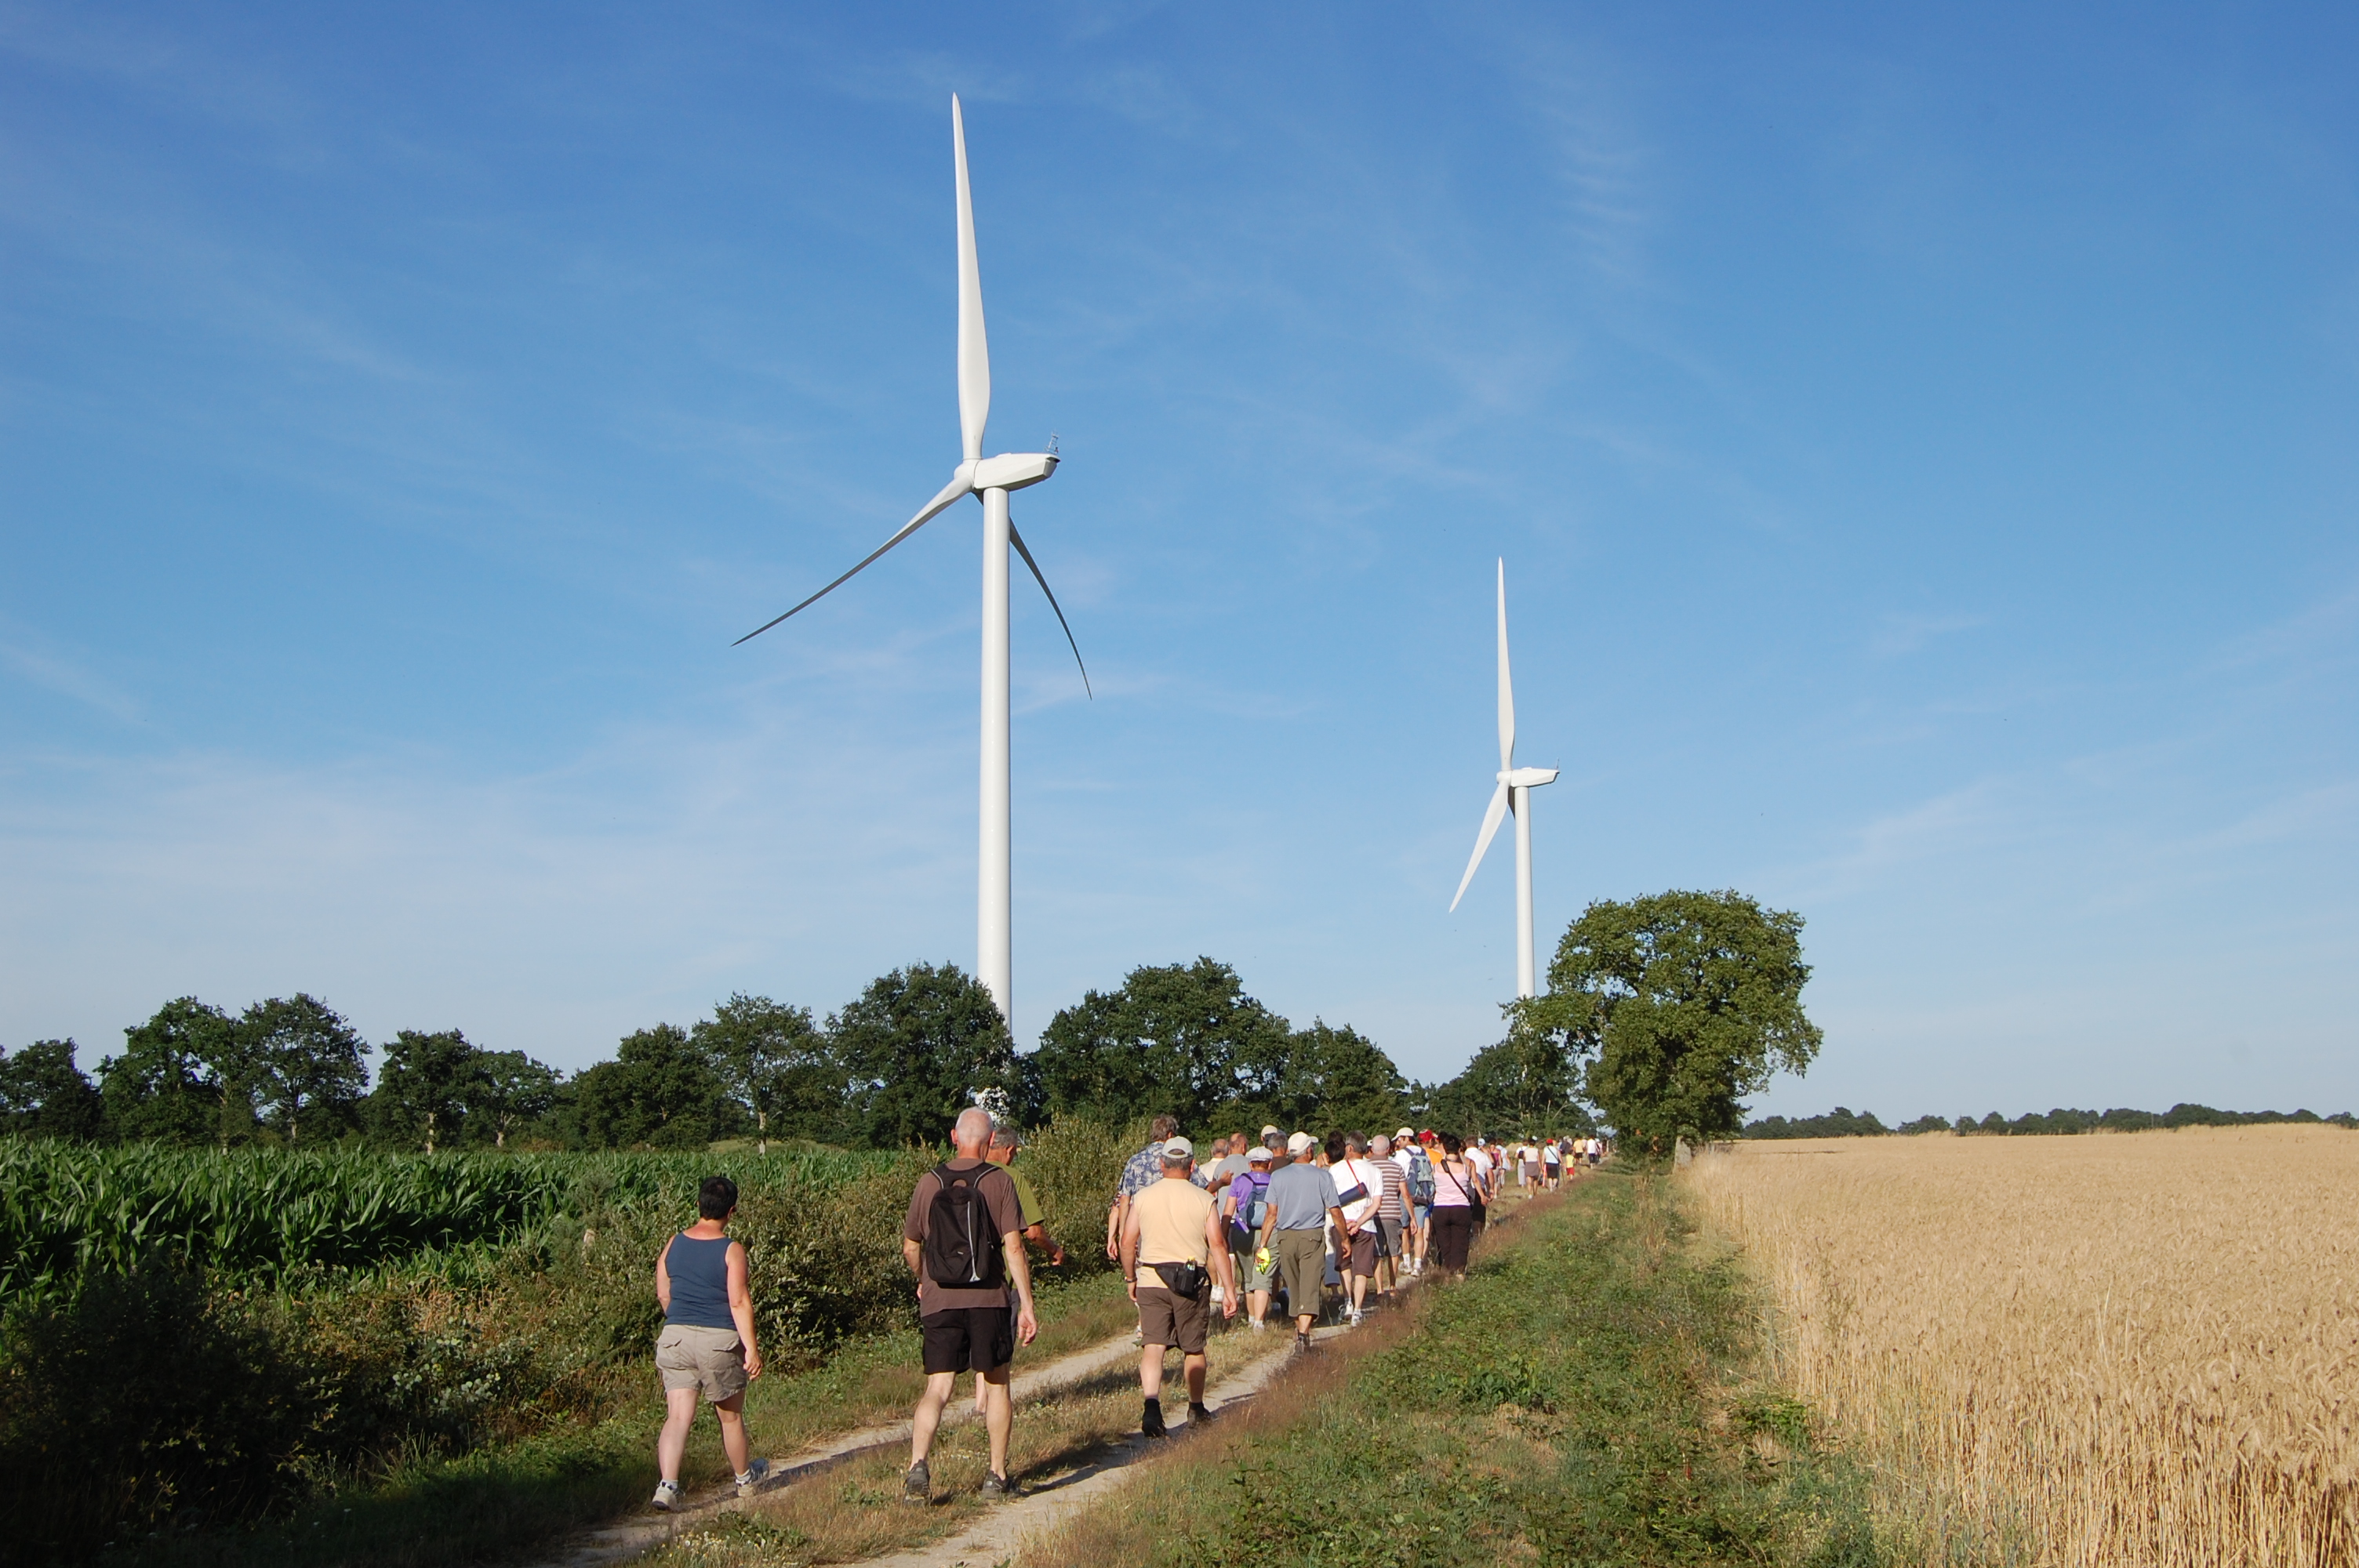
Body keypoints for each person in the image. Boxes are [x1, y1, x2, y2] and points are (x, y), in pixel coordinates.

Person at [902, 1109, 1040, 1504]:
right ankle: (996, 1477)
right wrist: (1026, 1304)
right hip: (989, 1299)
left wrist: (923, 1280)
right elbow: (1014, 1246)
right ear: (991, 1139)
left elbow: (911, 1246)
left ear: (953, 1136)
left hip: (940, 1298)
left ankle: (917, 1468)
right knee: (997, 1384)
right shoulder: (999, 1181)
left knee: (938, 1387)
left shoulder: (928, 1182)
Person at [651, 1176, 768, 1511]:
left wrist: (679, 1319)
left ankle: (667, 1487)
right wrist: (752, 1349)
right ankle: (745, 1481)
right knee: (729, 1417)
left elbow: (663, 1291)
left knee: (677, 1417)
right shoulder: (731, 1249)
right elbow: (738, 1301)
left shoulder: (674, 1242)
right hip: (718, 1340)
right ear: (732, 1211)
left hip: (675, 1336)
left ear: (698, 1205)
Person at [1121, 1136, 1238, 1436]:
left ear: (1162, 1164)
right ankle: (1196, 1407)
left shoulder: (1144, 1196)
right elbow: (1217, 1244)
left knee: (1153, 1345)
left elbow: (1127, 1242)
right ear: (1192, 1165)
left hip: (1150, 1279)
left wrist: (1131, 1279)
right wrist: (1228, 1288)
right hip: (1191, 1281)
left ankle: (1151, 1406)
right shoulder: (1203, 1199)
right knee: (1193, 1347)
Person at [972, 1121, 1063, 1416]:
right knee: (1000, 1345)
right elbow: (1033, 1232)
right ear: (1009, 1149)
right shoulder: (1010, 1177)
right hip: (1002, 1274)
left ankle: (979, 1404)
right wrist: (1055, 1250)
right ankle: (994, 1406)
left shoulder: (965, 1172)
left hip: (963, 1274)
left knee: (978, 1340)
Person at [1257, 1131, 1346, 1352]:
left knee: (1294, 1286)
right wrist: (1344, 1239)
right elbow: (1335, 1211)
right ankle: (1304, 1333)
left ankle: (1301, 1332)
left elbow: (1271, 1214)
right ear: (1308, 1151)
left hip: (1285, 1236)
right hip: (1312, 1236)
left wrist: (1262, 1244)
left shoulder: (1278, 1177)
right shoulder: (1322, 1176)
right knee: (1310, 1284)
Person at [1332, 1133, 1389, 1324]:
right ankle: (1357, 1310)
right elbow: (1377, 1203)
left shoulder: (1335, 1170)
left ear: (1349, 1148)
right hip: (1365, 1225)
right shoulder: (1374, 1171)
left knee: (1344, 1264)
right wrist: (1359, 1221)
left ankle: (1348, 1302)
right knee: (1362, 1268)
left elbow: (1330, 1202)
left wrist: (1346, 1222)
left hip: (1340, 1223)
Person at [1107, 1113, 1180, 1261]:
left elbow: (1125, 1199)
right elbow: (1201, 1187)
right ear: (1170, 1135)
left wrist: (1123, 1232)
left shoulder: (1135, 1161)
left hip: (1142, 1228)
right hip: (1174, 1227)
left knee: (1143, 1272)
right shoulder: (1178, 1159)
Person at [1227, 1144, 1277, 1327]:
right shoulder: (1275, 1181)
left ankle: (1250, 1318)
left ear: (1250, 1164)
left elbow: (1229, 1211)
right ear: (1269, 1164)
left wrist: (1225, 1236)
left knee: (1248, 1277)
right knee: (1262, 1276)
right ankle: (1259, 1322)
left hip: (1243, 1233)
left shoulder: (1239, 1181)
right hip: (1269, 1234)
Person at [1430, 1134, 1482, 1277]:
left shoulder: (1436, 1167)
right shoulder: (1465, 1169)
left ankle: (1447, 1271)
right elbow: (1473, 1182)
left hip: (1440, 1207)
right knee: (1461, 1242)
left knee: (1444, 1243)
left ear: (1445, 1149)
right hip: (1461, 1207)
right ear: (1459, 1149)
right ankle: (1459, 1273)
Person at [1369, 1134, 1409, 1298]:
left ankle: (1379, 1288)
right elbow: (1405, 1194)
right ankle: (1392, 1286)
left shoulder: (1367, 1167)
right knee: (1393, 1250)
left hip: (1372, 1213)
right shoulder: (1396, 1167)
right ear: (1388, 1150)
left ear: (1372, 1149)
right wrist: (1412, 1217)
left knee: (1377, 1252)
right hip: (1392, 1213)